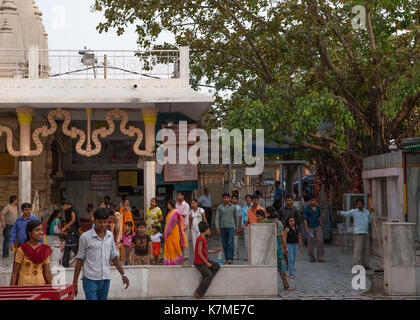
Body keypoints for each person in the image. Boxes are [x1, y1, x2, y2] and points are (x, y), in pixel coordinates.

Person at [73, 207, 130, 300]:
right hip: (90, 280)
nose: (103, 225)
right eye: (100, 222)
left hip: (105, 279)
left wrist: (123, 274)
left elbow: (114, 257)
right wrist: (75, 283)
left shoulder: (110, 236)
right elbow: (79, 260)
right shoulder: (85, 237)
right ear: (94, 221)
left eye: (105, 222)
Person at [10, 220, 53, 286]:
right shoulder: (22, 249)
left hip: (40, 285)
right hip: (24, 286)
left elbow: (47, 272)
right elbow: (15, 273)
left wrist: (52, 289)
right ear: (29, 233)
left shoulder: (45, 249)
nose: (40, 232)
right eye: (37, 230)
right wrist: (11, 292)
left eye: (41, 230)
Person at [338, 199, 372, 269]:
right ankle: (356, 265)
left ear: (363, 205)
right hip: (358, 234)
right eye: (358, 204)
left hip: (366, 233)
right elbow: (346, 213)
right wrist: (340, 212)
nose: (359, 206)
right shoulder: (354, 211)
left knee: (366, 250)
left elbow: (370, 221)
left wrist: (372, 213)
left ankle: (365, 265)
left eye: (360, 204)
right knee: (358, 250)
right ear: (356, 205)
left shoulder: (367, 212)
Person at [193, 221, 222, 299]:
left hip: (204, 261)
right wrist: (207, 263)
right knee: (209, 275)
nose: (209, 231)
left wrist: (215, 251)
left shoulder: (203, 238)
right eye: (209, 229)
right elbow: (199, 253)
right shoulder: (200, 239)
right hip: (199, 263)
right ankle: (199, 293)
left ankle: (204, 279)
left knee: (217, 266)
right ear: (206, 230)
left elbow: (205, 251)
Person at [215, 193, 238, 264]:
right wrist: (217, 227)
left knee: (230, 243)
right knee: (224, 244)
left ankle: (230, 258)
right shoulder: (219, 207)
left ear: (229, 199)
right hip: (222, 228)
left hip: (231, 227)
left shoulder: (233, 207)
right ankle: (226, 258)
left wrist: (236, 227)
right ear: (223, 199)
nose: (226, 199)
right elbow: (217, 218)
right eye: (224, 198)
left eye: (227, 198)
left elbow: (236, 218)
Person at [164, 200, 188, 265]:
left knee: (176, 245)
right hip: (168, 232)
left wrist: (171, 230)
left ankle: (181, 262)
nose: (167, 205)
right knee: (169, 246)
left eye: (168, 204)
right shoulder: (169, 212)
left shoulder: (175, 211)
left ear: (170, 204)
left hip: (174, 231)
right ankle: (170, 262)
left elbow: (176, 221)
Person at [303, 196, 325, 263]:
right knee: (310, 243)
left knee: (320, 241)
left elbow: (319, 216)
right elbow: (305, 219)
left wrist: (321, 224)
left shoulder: (318, 208)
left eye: (315, 200)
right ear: (310, 201)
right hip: (310, 228)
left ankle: (320, 257)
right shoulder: (307, 209)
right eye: (312, 200)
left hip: (317, 227)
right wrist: (306, 228)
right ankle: (311, 257)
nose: (314, 202)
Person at [61, 201, 81, 267]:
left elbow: (73, 220)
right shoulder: (68, 210)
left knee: (73, 247)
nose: (63, 208)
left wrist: (65, 227)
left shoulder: (72, 210)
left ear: (66, 205)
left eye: (63, 206)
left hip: (73, 230)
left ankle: (83, 260)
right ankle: (65, 263)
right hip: (70, 230)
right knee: (67, 246)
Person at [276, 215, 293, 290]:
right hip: (277, 249)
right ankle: (286, 285)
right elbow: (282, 237)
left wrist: (284, 247)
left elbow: (282, 237)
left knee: (281, 267)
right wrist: (285, 247)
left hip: (275, 250)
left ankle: (286, 285)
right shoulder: (278, 223)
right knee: (281, 268)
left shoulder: (275, 223)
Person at [176, 191, 191, 260]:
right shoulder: (176, 204)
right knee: (178, 240)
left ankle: (186, 255)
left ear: (183, 196)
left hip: (184, 225)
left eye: (179, 195)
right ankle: (179, 254)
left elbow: (184, 215)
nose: (178, 196)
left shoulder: (186, 205)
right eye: (177, 195)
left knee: (185, 240)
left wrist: (175, 215)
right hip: (177, 225)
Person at [241, 195, 252, 261]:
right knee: (246, 241)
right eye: (246, 198)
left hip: (253, 225)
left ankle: (253, 255)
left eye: (249, 198)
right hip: (246, 225)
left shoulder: (253, 206)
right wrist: (242, 226)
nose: (248, 199)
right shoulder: (244, 208)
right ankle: (248, 256)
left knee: (253, 241)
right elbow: (242, 217)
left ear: (251, 199)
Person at [231, 195, 242, 260]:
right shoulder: (229, 207)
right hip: (229, 227)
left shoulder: (239, 208)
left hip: (236, 227)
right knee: (229, 242)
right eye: (232, 199)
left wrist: (239, 228)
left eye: (235, 199)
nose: (233, 200)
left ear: (237, 200)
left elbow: (240, 218)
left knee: (235, 242)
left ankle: (235, 255)